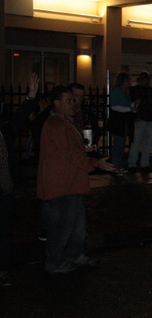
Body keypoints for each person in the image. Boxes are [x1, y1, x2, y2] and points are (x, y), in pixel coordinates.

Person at [38, 86, 115, 274]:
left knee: (76, 224)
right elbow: (70, 154)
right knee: (61, 226)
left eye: (74, 100)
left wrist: (85, 150)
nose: (74, 104)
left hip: (71, 183)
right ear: (57, 103)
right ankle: (55, 263)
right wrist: (95, 162)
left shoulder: (64, 122)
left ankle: (75, 255)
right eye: (69, 100)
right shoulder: (56, 124)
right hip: (61, 185)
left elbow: (70, 150)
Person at [1, 73, 41, 286]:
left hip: (5, 190)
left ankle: (3, 269)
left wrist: (31, 97)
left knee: (5, 232)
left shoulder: (3, 132)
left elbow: (18, 120)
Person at [128, 72, 152, 173]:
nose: (145, 81)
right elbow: (132, 104)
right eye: (144, 79)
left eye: (146, 79)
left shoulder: (150, 91)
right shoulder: (135, 90)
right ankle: (133, 164)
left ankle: (144, 164)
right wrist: (134, 117)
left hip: (149, 119)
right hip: (141, 119)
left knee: (146, 143)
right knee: (137, 142)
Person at [108, 72, 139, 175]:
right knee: (118, 145)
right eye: (128, 81)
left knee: (121, 145)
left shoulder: (124, 91)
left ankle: (118, 166)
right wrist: (129, 109)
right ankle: (115, 167)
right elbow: (114, 106)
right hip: (118, 121)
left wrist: (133, 105)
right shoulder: (117, 91)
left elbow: (126, 105)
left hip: (124, 121)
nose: (129, 82)